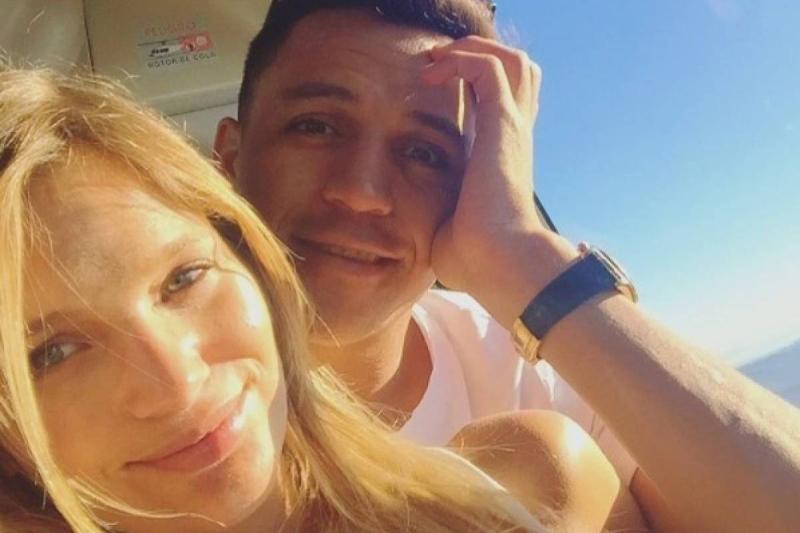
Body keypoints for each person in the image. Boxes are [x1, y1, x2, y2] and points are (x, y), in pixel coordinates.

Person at [213, 0, 800, 531]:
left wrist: (519, 257)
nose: (363, 192)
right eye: (316, 126)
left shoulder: (541, 370)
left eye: (424, 152)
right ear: (229, 159)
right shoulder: (173, 424)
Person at [0, 65, 622, 532]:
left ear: (246, 255)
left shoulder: (528, 487)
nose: (177, 382)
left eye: (184, 278)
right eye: (52, 352)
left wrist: (525, 261)